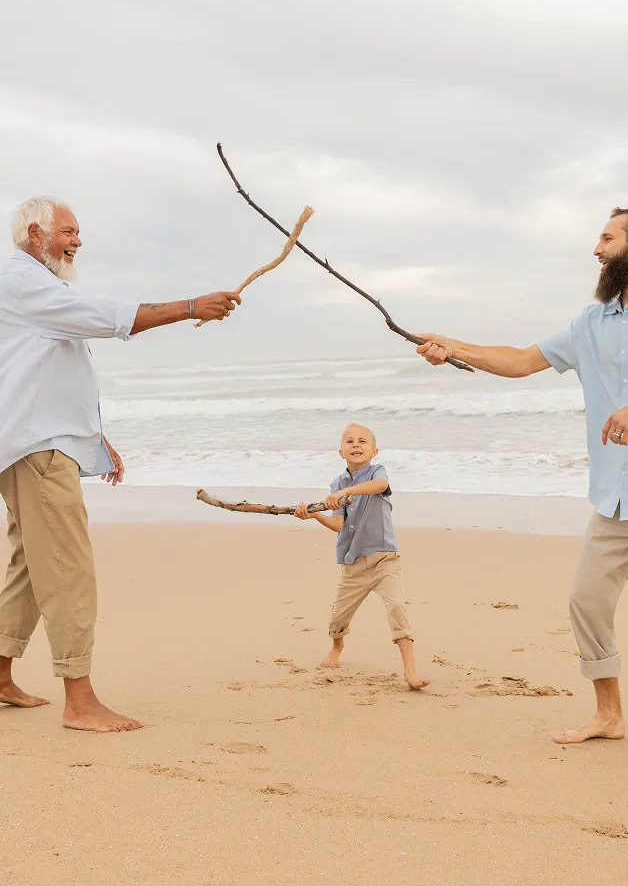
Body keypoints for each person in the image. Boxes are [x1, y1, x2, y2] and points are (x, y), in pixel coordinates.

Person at [415, 206, 628, 744]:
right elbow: (524, 360)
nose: (596, 249)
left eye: (606, 237)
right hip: (615, 499)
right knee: (586, 601)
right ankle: (610, 715)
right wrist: (455, 347)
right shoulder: (590, 323)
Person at [0, 195, 243, 732]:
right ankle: (80, 700)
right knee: (66, 565)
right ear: (36, 234)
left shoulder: (37, 287)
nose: (77, 241)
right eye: (68, 231)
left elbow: (49, 375)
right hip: (37, 448)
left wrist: (94, 438)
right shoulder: (23, 283)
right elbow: (102, 319)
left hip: (40, 441)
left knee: (30, 561)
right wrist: (189, 307)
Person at [294, 423, 430, 690]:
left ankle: (410, 670)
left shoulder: (376, 473)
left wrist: (347, 493)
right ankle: (338, 645)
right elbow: (337, 526)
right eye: (349, 441)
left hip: (384, 559)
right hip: (353, 564)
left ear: (374, 450)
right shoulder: (337, 484)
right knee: (337, 618)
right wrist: (315, 514)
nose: (356, 445)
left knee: (397, 608)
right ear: (340, 452)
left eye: (362, 441)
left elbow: (380, 485)